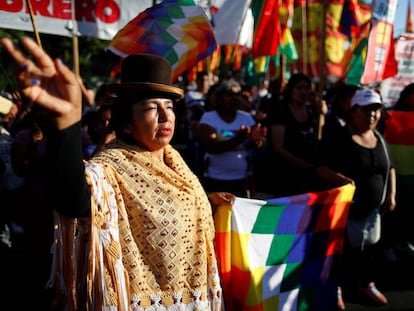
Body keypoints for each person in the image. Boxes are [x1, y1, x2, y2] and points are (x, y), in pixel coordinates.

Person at [1, 36, 235, 310]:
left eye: (169, 107)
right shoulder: (111, 167)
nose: (165, 116)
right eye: (151, 107)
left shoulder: (177, 163)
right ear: (125, 123)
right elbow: (73, 198)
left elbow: (170, 205)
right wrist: (67, 125)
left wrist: (207, 200)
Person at [315, 88, 397, 308]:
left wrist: (391, 195)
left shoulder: (379, 136)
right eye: (367, 110)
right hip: (346, 211)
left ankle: (365, 283)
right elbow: (321, 167)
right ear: (353, 111)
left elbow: (389, 168)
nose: (372, 115)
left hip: (373, 212)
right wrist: (339, 179)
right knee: (342, 252)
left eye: (376, 110)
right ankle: (336, 288)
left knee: (370, 251)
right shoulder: (340, 137)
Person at [197, 80, 267, 198]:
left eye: (237, 95)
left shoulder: (246, 118)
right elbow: (211, 146)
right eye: (230, 95)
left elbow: (258, 146)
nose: (235, 98)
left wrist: (257, 141)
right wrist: (238, 139)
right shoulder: (209, 118)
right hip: (216, 180)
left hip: (242, 181)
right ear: (220, 98)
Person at [266, 73, 327, 197]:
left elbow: (318, 135)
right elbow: (279, 148)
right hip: (286, 174)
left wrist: (322, 115)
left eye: (306, 88)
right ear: (291, 90)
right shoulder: (281, 111)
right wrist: (304, 165)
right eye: (299, 88)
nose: (303, 92)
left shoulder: (312, 111)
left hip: (308, 176)